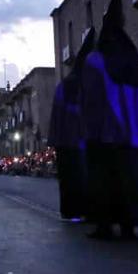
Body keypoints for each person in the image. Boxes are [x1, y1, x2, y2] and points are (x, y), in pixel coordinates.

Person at [80, 0, 138, 241]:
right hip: (132, 134)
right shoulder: (132, 56)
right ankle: (129, 224)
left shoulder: (95, 60)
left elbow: (90, 100)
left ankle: (104, 225)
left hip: (104, 133)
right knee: (129, 177)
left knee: (104, 179)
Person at [49, 28, 94, 222]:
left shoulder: (67, 82)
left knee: (70, 177)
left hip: (67, 139)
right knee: (77, 176)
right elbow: (77, 111)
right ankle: (78, 211)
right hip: (74, 139)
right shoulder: (75, 83)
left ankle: (72, 211)